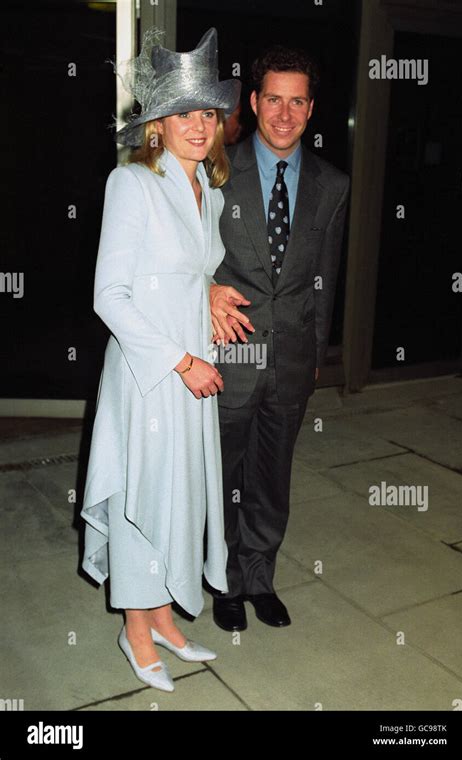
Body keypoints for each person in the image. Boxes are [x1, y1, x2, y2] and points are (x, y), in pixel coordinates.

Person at [80, 27, 241, 691]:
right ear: (156, 125)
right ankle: (135, 629)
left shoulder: (207, 186)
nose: (198, 126)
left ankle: (165, 617)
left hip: (188, 368)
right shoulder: (132, 184)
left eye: (207, 112)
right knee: (142, 496)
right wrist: (180, 361)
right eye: (182, 114)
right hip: (152, 374)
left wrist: (209, 290)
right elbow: (109, 297)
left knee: (178, 497)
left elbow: (174, 269)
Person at [210, 45, 350, 631]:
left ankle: (259, 578)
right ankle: (222, 580)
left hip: (292, 357)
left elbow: (327, 279)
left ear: (312, 109)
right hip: (232, 351)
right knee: (222, 475)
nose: (284, 114)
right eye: (274, 100)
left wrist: (315, 357)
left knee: (271, 474)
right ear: (254, 102)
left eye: (297, 102)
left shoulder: (332, 184)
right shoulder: (216, 172)